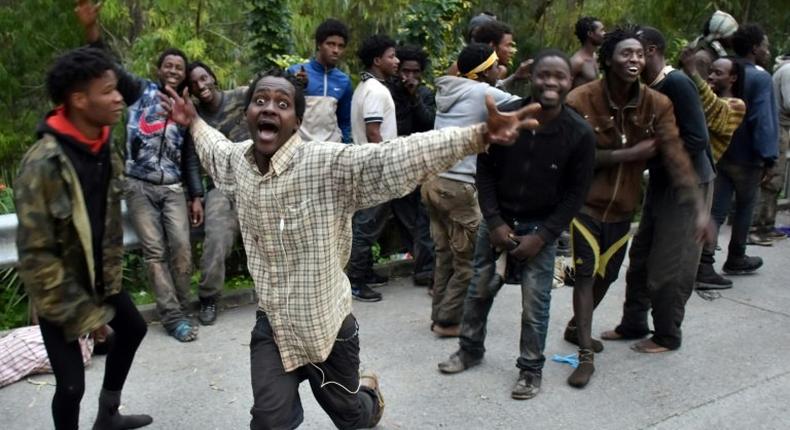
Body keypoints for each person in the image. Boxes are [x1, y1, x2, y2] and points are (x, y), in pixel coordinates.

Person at [162, 67, 540, 429]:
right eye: (261, 100)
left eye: (282, 103)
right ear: (247, 112)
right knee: (268, 420)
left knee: (352, 417)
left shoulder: (327, 164)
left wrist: (477, 136)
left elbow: (395, 157)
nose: (269, 108)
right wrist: (194, 122)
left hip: (328, 329)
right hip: (274, 327)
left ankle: (369, 398)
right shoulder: (237, 162)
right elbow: (214, 148)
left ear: (296, 121)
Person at [437, 48, 596, 400]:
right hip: (498, 222)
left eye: (559, 76)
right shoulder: (505, 115)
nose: (550, 82)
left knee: (535, 304)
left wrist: (543, 236)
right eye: (544, 75)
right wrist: (493, 222)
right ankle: (469, 350)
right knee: (478, 290)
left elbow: (575, 194)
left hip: (542, 228)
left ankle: (530, 370)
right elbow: (486, 172)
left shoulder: (580, 134)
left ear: (570, 82)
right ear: (531, 77)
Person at [15, 41, 151, 428]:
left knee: (134, 329)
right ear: (78, 100)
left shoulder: (99, 139)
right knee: (71, 385)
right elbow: (37, 258)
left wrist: (95, 37)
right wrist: (87, 317)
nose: (117, 98)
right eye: (107, 91)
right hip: (57, 289)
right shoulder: (42, 164)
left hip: (98, 278)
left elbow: (129, 87)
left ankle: (108, 415)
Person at [563, 27, 709, 380]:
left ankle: (575, 327)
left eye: (640, 54)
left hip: (625, 207)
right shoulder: (580, 99)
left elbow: (676, 154)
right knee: (585, 274)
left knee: (608, 275)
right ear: (609, 58)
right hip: (584, 205)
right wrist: (627, 154)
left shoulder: (658, 103)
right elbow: (570, 156)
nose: (634, 60)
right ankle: (585, 353)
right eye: (626, 53)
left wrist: (700, 208)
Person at [80, 1, 205, 342]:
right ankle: (173, 317)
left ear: (184, 74)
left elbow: (190, 157)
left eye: (179, 66)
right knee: (154, 251)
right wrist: (92, 28)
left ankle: (181, 305)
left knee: (181, 247)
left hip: (174, 187)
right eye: (168, 64)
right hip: (139, 186)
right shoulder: (138, 92)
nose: (173, 69)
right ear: (159, 69)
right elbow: (105, 63)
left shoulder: (187, 110)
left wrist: (196, 195)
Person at [598, 26, 714, 355]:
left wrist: (647, 156)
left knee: (670, 264)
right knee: (641, 257)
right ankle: (633, 323)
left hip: (686, 184)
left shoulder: (676, 83)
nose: (629, 57)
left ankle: (667, 334)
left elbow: (696, 139)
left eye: (635, 50)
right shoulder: (645, 86)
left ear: (649, 50)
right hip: (662, 182)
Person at [424, 43, 520, 337]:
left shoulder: (450, 89)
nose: (498, 70)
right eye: (493, 66)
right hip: (459, 187)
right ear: (482, 71)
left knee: (445, 256)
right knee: (470, 260)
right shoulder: (483, 93)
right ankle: (448, 321)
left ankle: (439, 313)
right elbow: (525, 103)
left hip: (432, 182)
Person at [705, 24, 779, 275]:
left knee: (717, 207)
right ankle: (736, 256)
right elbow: (763, 119)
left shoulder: (723, 67)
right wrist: (769, 157)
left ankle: (704, 261)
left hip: (721, 152)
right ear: (755, 48)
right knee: (745, 206)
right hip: (748, 156)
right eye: (765, 45)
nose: (767, 50)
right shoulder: (760, 76)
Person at [677, 49, 747, 289]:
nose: (712, 77)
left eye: (719, 73)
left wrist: (693, 75)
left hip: (703, 174)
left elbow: (717, 116)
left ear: (733, 79)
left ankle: (701, 269)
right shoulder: (705, 97)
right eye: (711, 72)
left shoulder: (736, 105)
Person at [186, 61, 249, 324]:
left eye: (204, 78)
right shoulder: (196, 118)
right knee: (217, 236)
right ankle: (209, 297)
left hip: (255, 178)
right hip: (220, 186)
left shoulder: (243, 96)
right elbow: (191, 159)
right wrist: (197, 196)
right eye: (194, 83)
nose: (201, 86)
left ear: (213, 77)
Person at [347, 34, 400, 302]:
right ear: (377, 60)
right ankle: (355, 281)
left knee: (370, 223)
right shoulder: (376, 91)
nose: (396, 61)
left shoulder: (366, 87)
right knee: (366, 225)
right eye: (392, 56)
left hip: (366, 164)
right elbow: (373, 132)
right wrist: (385, 167)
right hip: (374, 167)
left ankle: (365, 272)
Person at [384, 45, 437, 287]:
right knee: (405, 216)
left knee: (423, 217)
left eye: (416, 72)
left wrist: (415, 98)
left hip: (422, 163)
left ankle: (425, 268)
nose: (411, 77)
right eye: (406, 71)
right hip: (398, 163)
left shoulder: (425, 94)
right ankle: (422, 261)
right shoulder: (389, 93)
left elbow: (429, 123)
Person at [287, 19, 353, 143]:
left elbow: (345, 121)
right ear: (319, 44)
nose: (336, 50)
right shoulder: (295, 73)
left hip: (331, 150)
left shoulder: (344, 81)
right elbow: (283, 112)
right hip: (299, 147)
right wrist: (297, 87)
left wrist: (346, 147)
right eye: (331, 44)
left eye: (340, 46)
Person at [750, 52, 790, 244]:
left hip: (782, 128)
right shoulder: (789, 70)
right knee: (772, 178)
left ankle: (767, 224)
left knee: (776, 179)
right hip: (780, 128)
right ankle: (756, 227)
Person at [570, 16, 606, 88]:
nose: (605, 33)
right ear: (590, 34)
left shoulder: (595, 56)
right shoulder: (577, 62)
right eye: (601, 30)